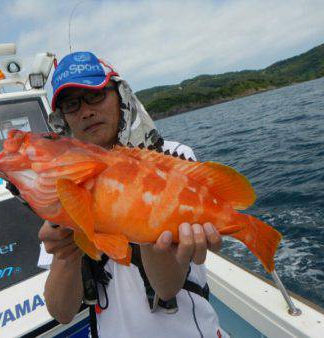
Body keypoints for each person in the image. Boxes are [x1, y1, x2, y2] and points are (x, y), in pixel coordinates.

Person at [37, 51, 224, 338]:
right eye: (72, 105)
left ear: (120, 97)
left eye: (96, 96)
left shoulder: (174, 161)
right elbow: (62, 313)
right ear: (63, 120)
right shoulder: (64, 187)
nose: (86, 111)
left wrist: (146, 220)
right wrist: (65, 255)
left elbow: (167, 287)